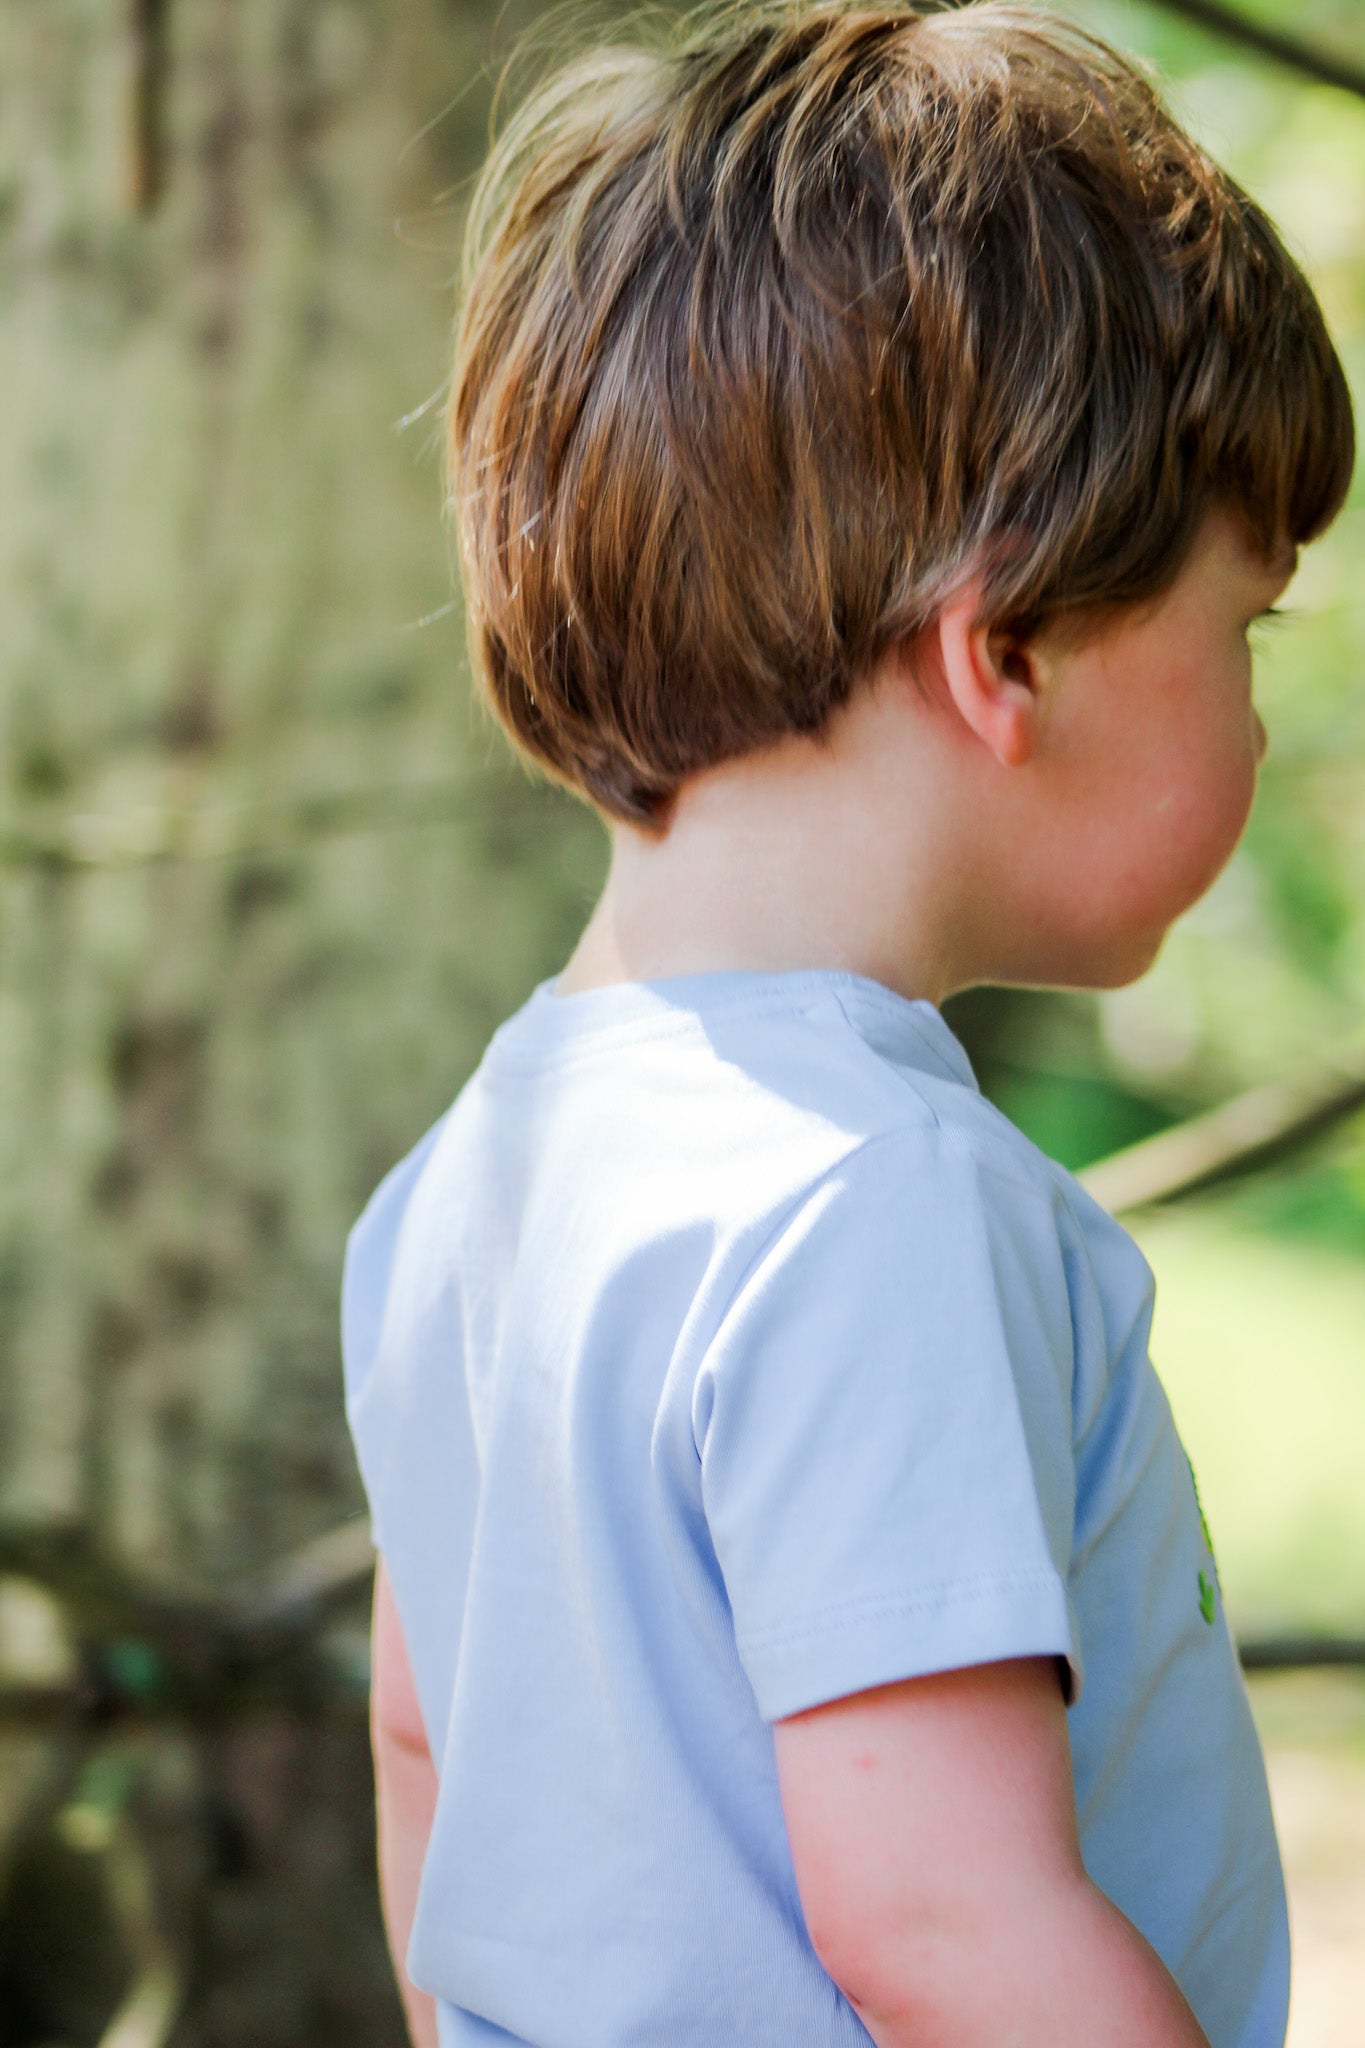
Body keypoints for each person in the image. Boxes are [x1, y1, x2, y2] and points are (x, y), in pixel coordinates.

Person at [342, 5, 1355, 2044]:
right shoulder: (868, 1198)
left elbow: (420, 1757)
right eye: (1238, 629)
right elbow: (945, 1927)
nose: (1252, 710)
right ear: (1007, 653)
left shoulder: (468, 1185)